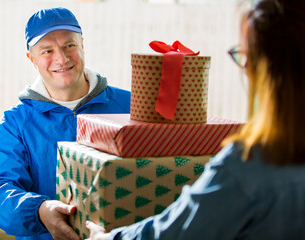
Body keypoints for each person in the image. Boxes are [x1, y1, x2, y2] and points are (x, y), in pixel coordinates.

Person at [86, 0, 305, 239]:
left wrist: (105, 238)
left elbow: (171, 233)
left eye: (245, 56)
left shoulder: (247, 165)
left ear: (264, 70)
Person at [0, 7, 131, 240]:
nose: (62, 58)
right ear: (32, 59)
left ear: (82, 45)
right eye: (47, 50)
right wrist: (39, 211)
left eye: (69, 45)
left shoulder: (129, 106)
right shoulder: (15, 123)